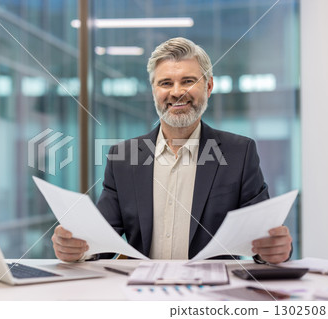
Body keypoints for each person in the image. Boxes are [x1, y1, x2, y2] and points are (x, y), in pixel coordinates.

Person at [52, 37, 292, 264]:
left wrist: (275, 250)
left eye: (188, 81)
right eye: (165, 83)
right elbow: (101, 241)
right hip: (139, 293)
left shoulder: (240, 153)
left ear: (208, 86)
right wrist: (77, 249)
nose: (177, 92)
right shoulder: (123, 157)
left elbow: (264, 237)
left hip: (210, 295)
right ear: (154, 91)